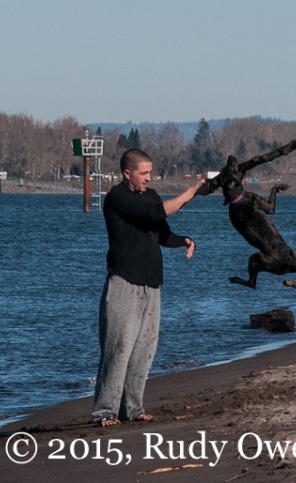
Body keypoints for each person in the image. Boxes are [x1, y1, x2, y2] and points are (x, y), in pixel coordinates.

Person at [92, 148, 207, 427]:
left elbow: (161, 232)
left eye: (149, 172)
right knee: (118, 349)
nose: (148, 178)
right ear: (127, 173)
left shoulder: (152, 195)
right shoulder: (117, 198)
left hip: (152, 285)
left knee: (144, 350)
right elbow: (152, 213)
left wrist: (183, 240)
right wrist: (189, 193)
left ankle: (133, 409)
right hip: (123, 284)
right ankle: (105, 412)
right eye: (143, 173)